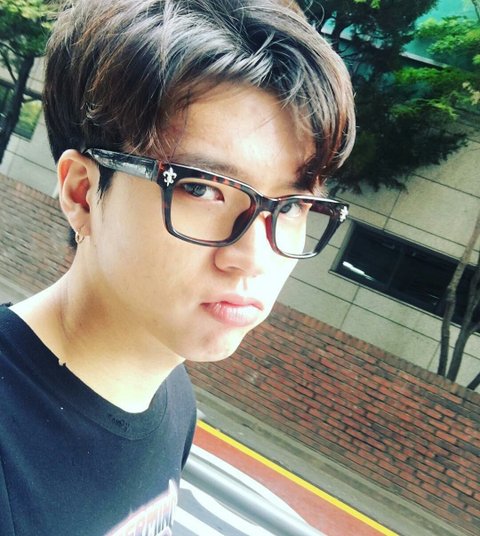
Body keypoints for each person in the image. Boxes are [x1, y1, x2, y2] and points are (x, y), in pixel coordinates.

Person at [0, 0, 355, 534]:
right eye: (201, 188)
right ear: (82, 192)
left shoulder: (172, 398)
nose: (254, 257)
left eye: (292, 206)